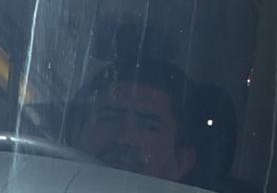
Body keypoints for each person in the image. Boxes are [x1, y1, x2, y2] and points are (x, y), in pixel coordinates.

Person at [62, 58, 202, 184]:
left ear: (183, 161)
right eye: (108, 118)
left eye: (149, 126)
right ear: (75, 135)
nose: (124, 138)